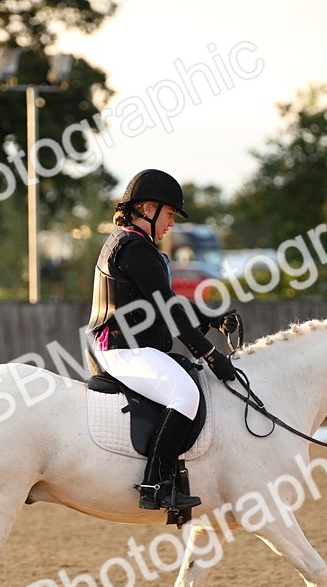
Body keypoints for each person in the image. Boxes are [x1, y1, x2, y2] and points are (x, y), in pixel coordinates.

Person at [87, 169, 237, 512]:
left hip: (129, 345)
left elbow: (163, 301)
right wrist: (211, 354)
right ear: (148, 208)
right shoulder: (135, 249)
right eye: (169, 214)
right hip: (122, 348)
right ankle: (155, 485)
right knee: (184, 395)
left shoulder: (134, 244)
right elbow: (168, 309)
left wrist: (209, 319)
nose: (171, 223)